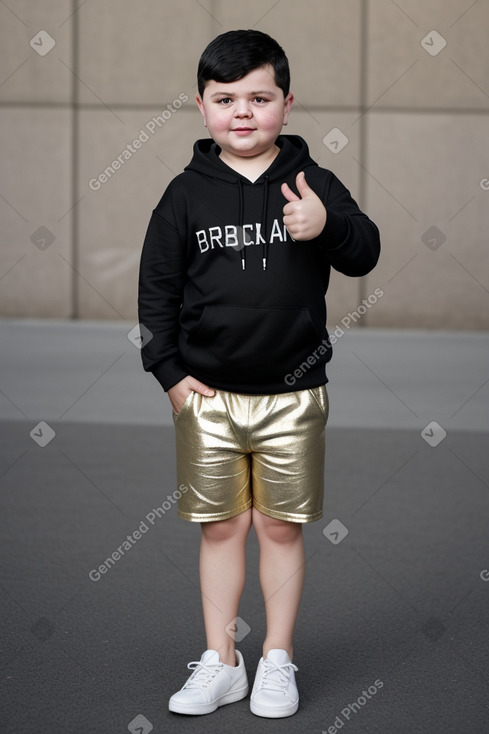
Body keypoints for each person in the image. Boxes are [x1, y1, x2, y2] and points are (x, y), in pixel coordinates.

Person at [138, 29, 380, 719]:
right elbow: (155, 290)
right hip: (206, 397)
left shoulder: (313, 183)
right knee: (220, 529)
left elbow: (363, 252)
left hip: (293, 394)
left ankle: (275, 657)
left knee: (278, 528)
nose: (242, 112)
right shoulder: (185, 194)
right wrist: (169, 373)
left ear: (286, 103)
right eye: (225, 99)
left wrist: (325, 224)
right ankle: (220, 661)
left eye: (259, 97)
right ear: (201, 106)